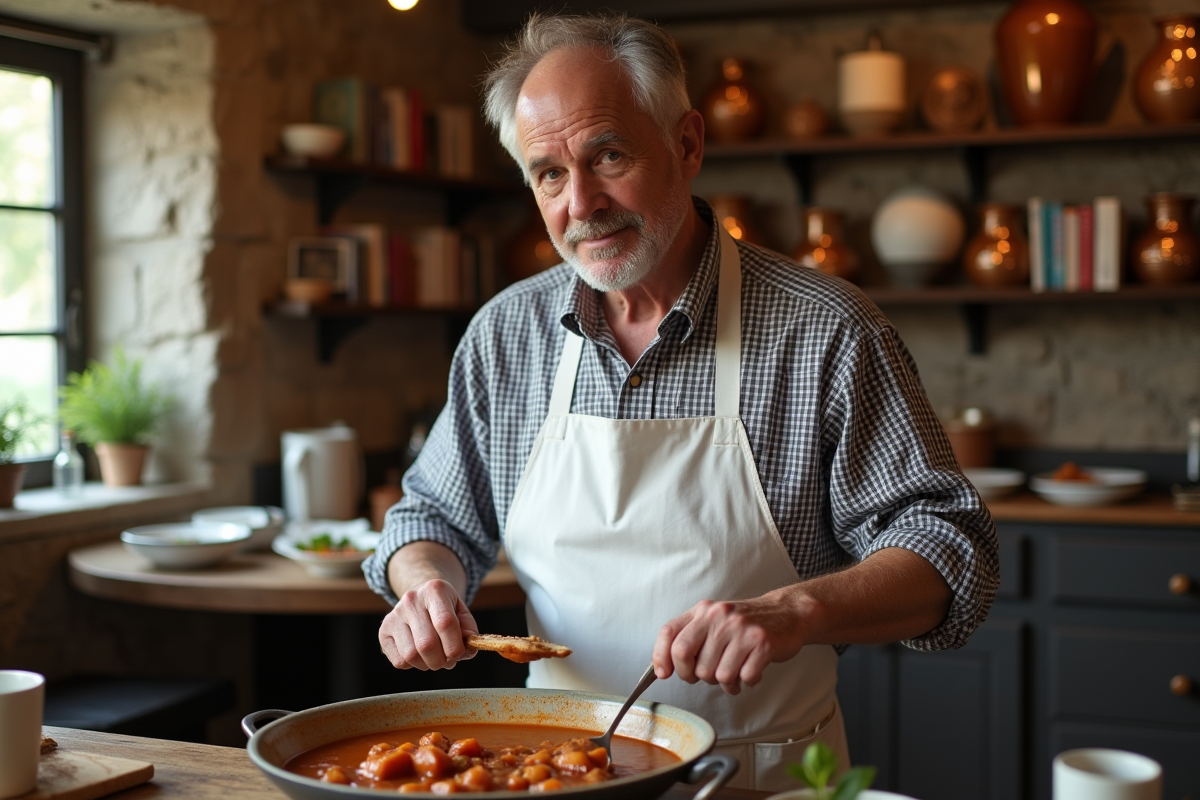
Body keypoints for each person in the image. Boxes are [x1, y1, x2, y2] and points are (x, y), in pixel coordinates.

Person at [364, 12, 998, 791]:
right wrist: (426, 585)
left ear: (688, 144)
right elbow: (431, 517)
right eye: (549, 174)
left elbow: (950, 548)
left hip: (764, 777)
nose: (582, 203)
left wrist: (796, 611)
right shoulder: (507, 335)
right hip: (548, 772)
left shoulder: (825, 328)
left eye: (609, 155)